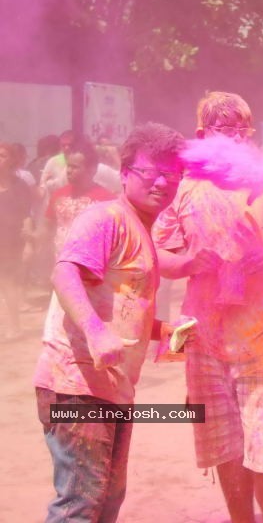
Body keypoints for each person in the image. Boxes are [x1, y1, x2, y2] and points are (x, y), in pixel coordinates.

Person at [153, 91, 263, 523]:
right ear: (201, 136)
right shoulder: (185, 190)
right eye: (224, 131)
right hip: (204, 338)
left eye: (242, 131)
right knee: (224, 447)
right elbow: (157, 255)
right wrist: (189, 262)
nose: (237, 139)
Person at [32, 122, 186, 522]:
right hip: (76, 385)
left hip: (111, 388)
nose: (162, 183)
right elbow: (65, 274)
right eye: (150, 173)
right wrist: (96, 332)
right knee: (81, 504)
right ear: (123, 173)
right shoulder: (105, 219)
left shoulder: (142, 231)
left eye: (172, 174)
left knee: (105, 501)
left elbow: (125, 307)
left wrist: (165, 333)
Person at [43, 137, 115, 254]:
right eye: (68, 166)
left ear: (92, 170)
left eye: (75, 167)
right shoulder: (58, 195)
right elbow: (47, 227)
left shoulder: (107, 200)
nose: (69, 171)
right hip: (60, 264)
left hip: (92, 266)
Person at [0, 141, 33, 340]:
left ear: (12, 159)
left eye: (3, 155)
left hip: (10, 242)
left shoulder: (20, 185)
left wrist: (29, 243)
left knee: (9, 283)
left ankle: (14, 327)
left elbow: (26, 215)